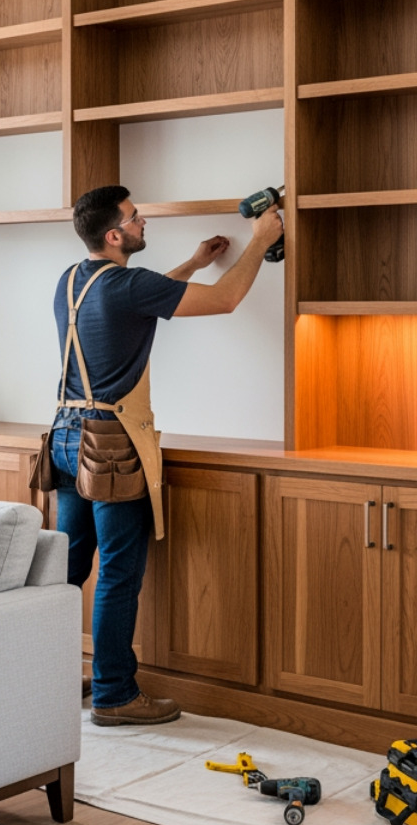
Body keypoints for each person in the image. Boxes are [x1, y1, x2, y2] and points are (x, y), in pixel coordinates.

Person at [51, 184, 283, 726]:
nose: (143, 222)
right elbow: (225, 299)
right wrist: (260, 240)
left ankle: (53, 676)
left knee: (67, 569)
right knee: (118, 573)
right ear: (114, 235)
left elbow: (148, 296)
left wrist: (195, 261)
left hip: (65, 436)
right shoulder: (128, 286)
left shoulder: (72, 280)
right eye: (135, 218)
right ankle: (113, 694)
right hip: (110, 447)